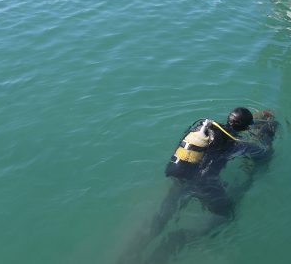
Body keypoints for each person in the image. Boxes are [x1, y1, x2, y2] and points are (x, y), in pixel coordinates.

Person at [118, 108, 278, 264]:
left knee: (161, 217)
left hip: (183, 179)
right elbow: (264, 155)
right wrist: (267, 131)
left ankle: (129, 254)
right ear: (245, 127)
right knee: (226, 216)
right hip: (206, 185)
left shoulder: (206, 132)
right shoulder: (238, 145)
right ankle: (181, 237)